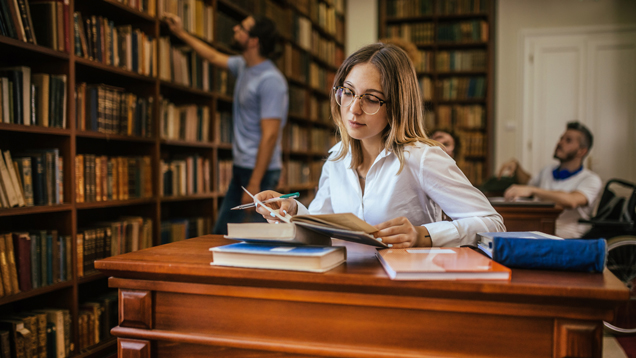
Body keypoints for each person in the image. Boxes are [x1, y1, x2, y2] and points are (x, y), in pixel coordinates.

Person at [253, 43, 505, 248]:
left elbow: (492, 223)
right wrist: (291, 210)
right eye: (348, 92)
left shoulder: (422, 157)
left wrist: (423, 235)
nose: (353, 109)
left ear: (396, 105)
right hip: (346, 283)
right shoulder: (336, 158)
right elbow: (321, 226)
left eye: (371, 99)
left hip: (405, 289)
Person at [164, 13, 289, 235]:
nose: (234, 30)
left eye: (241, 27)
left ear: (254, 41)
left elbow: (270, 136)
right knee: (224, 233)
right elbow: (212, 57)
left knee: (253, 239)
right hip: (243, 167)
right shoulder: (243, 66)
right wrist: (179, 31)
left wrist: (254, 183)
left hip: (260, 171)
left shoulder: (271, 80)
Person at [498, 121, 602, 238]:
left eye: (568, 140)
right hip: (540, 229)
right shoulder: (548, 170)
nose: (560, 142)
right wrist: (516, 166)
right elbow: (527, 183)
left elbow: (572, 201)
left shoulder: (591, 179)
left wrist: (533, 190)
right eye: (561, 138)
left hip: (566, 237)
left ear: (582, 151)